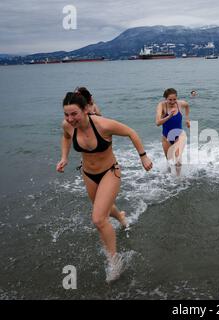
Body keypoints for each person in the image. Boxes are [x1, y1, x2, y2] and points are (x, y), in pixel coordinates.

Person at [56, 92, 153, 282]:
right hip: (88, 174)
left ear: (85, 110)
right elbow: (66, 137)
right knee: (105, 211)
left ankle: (115, 261)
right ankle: (122, 218)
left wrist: (143, 156)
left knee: (98, 219)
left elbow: (131, 132)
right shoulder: (68, 125)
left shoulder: (103, 125)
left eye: (74, 113)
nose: (70, 119)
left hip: (110, 171)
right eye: (67, 114)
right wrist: (64, 157)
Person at [155, 88, 190, 167]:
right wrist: (169, 116)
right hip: (166, 137)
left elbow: (187, 106)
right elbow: (157, 123)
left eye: (174, 99)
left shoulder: (180, 104)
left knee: (178, 160)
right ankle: (170, 178)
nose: (172, 102)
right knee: (170, 161)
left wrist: (187, 119)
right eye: (170, 99)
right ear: (165, 98)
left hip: (179, 136)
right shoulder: (162, 105)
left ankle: (178, 179)